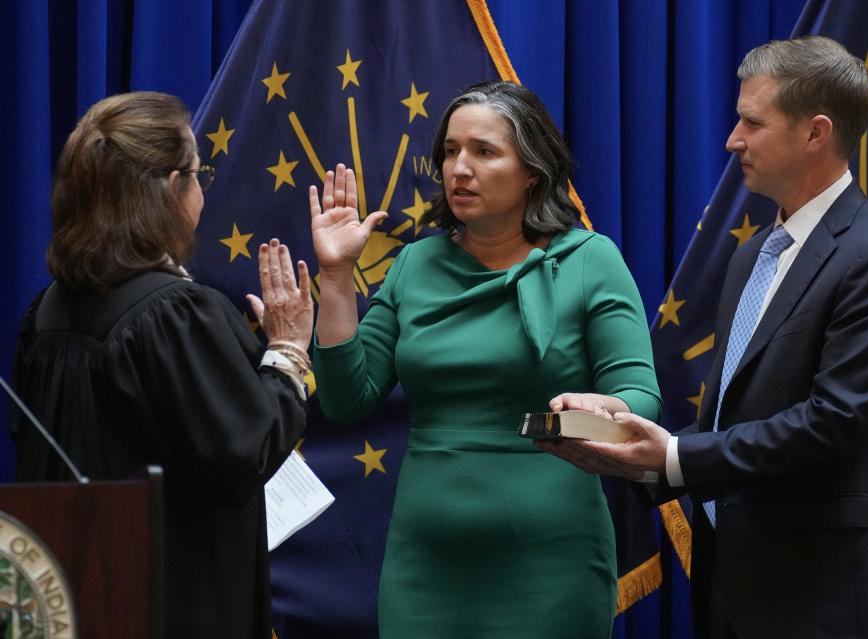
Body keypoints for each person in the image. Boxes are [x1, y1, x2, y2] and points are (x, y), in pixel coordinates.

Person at [539, 36, 868, 638]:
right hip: (732, 585)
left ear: (815, 133)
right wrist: (627, 447)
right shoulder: (752, 257)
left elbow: (835, 424)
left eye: (752, 121)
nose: (732, 140)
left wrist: (671, 456)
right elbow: (740, 418)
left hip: (821, 595)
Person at [308, 81, 661, 638]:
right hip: (427, 565)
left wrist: (604, 407)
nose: (459, 169)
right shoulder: (413, 264)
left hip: (552, 562)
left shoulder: (591, 260)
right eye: (450, 152)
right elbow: (347, 399)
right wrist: (334, 279)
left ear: (533, 174)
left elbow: (641, 397)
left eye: (483, 151)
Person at [9, 92, 314, 639]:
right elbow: (243, 452)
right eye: (200, 173)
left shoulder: (48, 310)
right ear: (173, 188)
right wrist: (287, 349)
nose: (203, 189)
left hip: (78, 600)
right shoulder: (176, 314)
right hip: (170, 602)